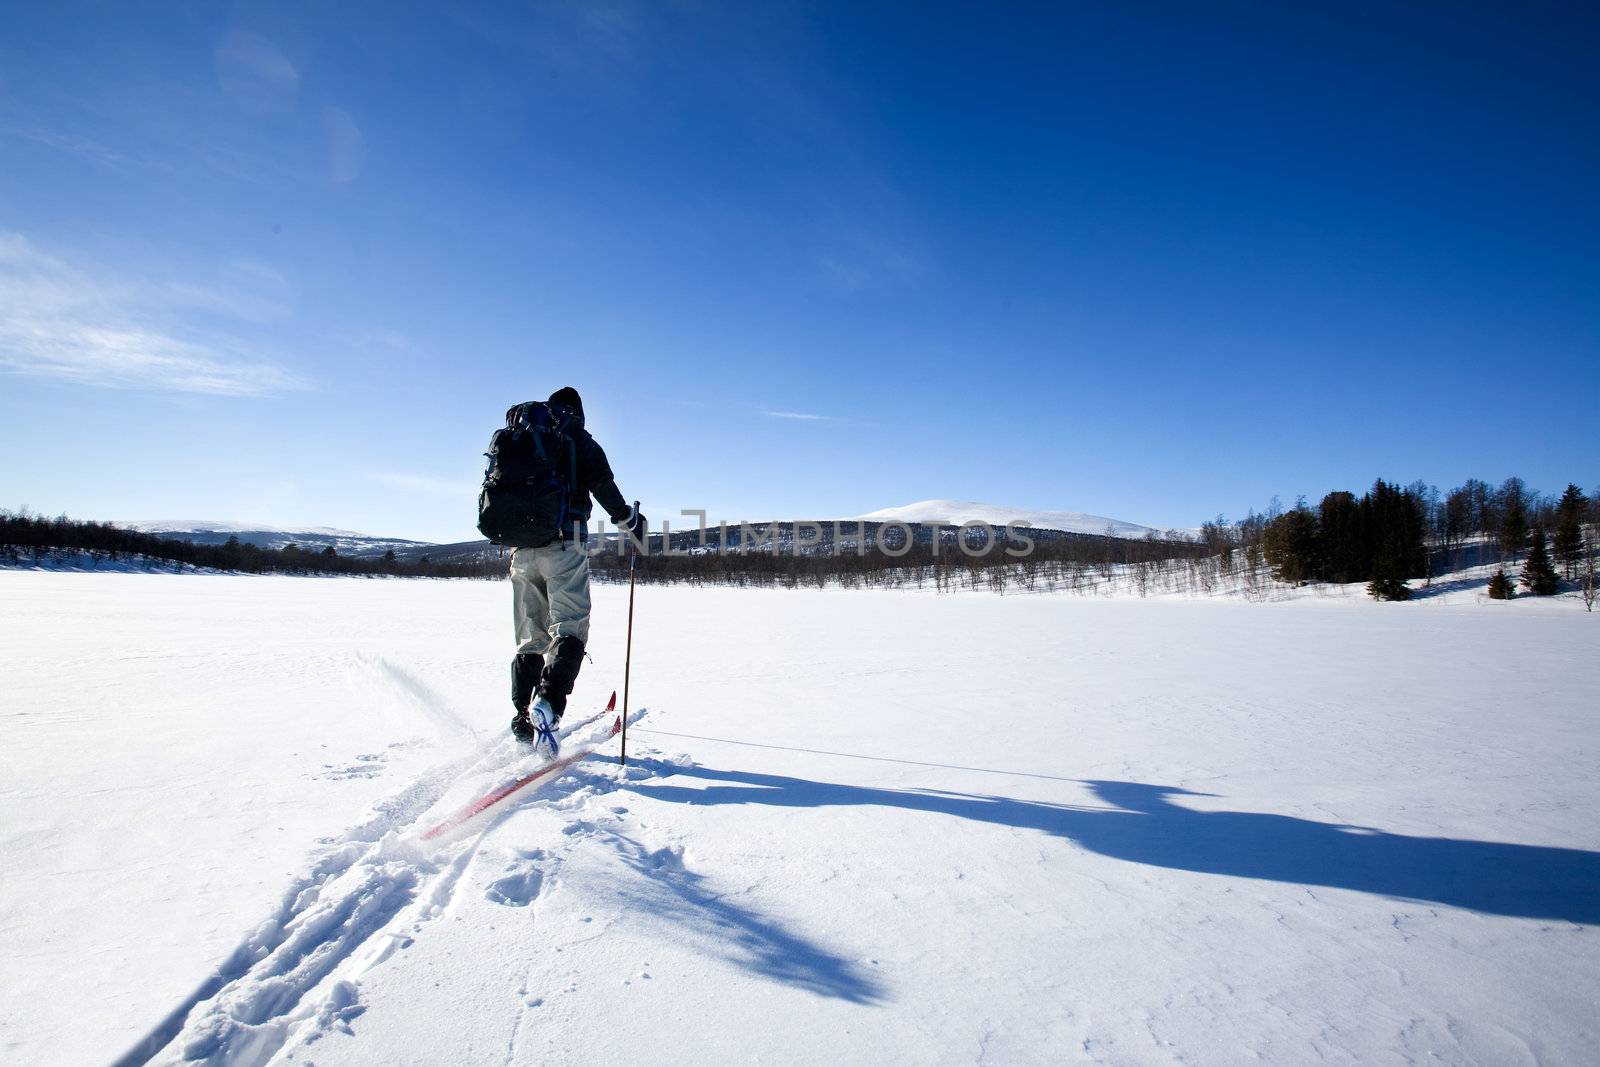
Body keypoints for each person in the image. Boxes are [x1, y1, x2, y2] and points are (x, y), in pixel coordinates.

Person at [508, 386, 644, 751]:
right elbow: (603, 487)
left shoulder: (523, 436)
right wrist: (630, 520)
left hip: (521, 550)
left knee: (530, 636)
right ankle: (548, 705)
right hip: (564, 546)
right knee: (570, 627)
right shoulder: (578, 439)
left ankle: (523, 717)